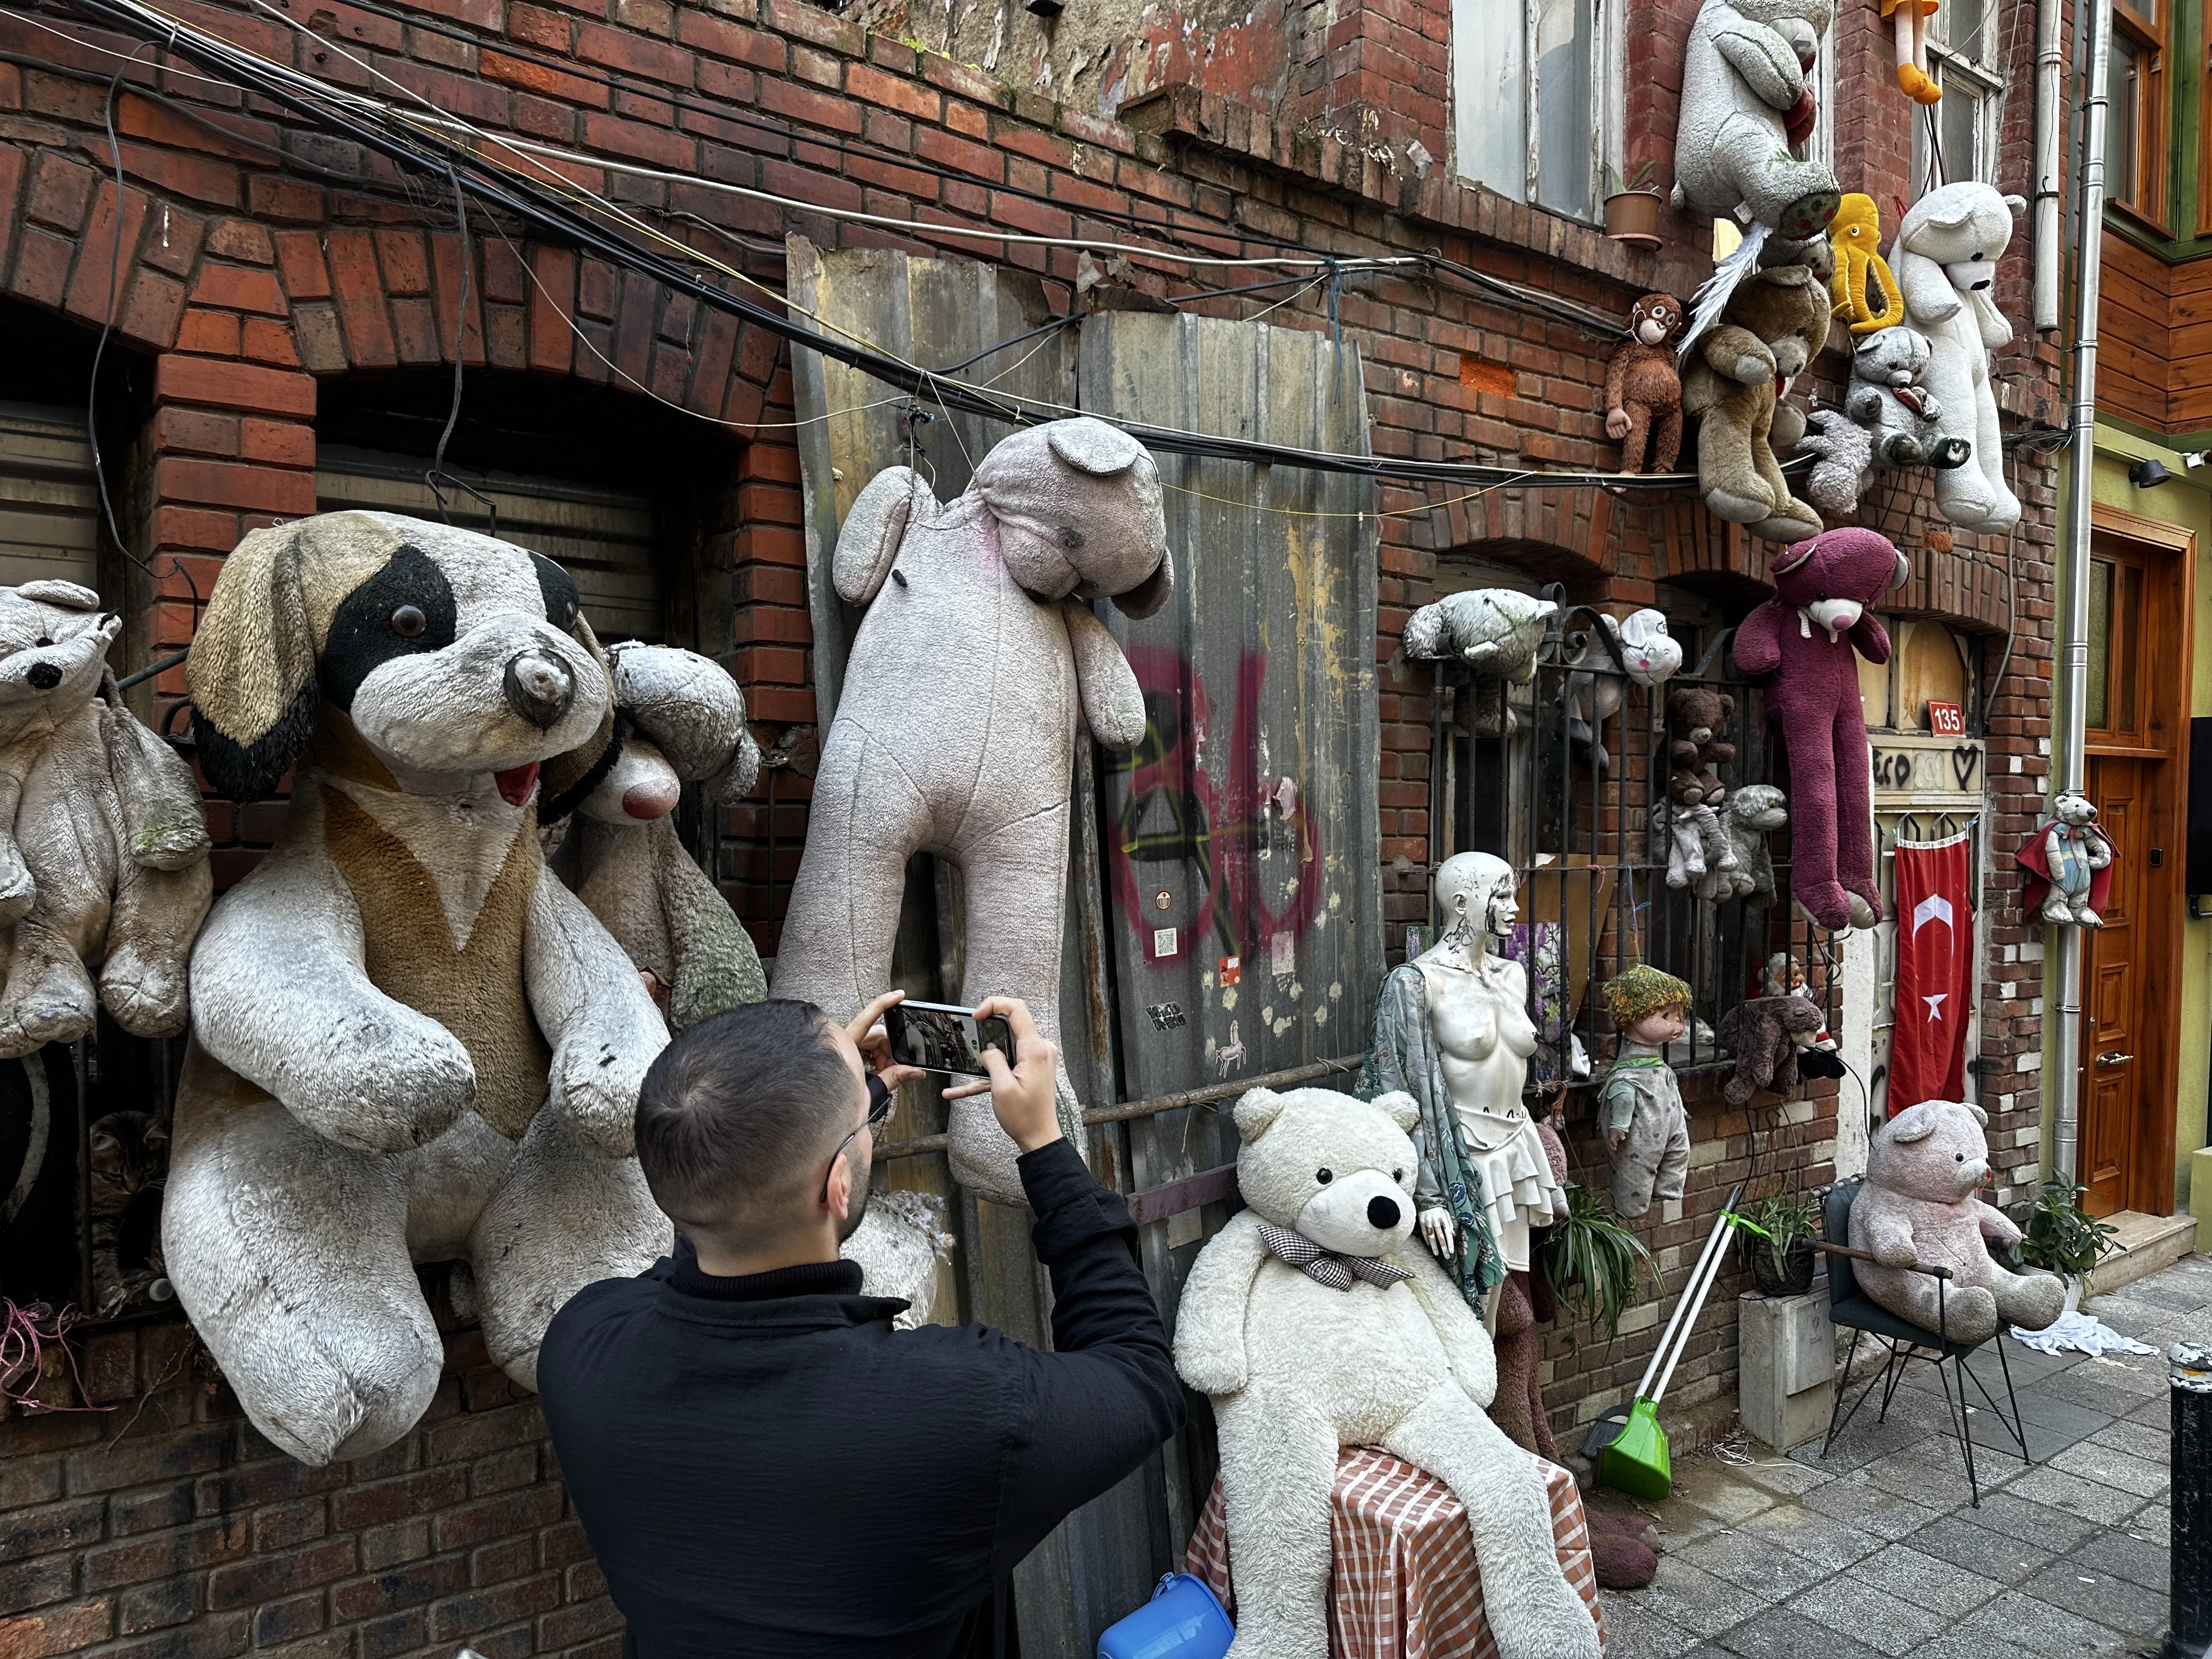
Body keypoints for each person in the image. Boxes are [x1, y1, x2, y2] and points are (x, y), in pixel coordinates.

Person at [538, 990, 1183, 1658]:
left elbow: (707, 1232)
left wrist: (830, 1106)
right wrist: (1045, 1144)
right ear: (839, 1185)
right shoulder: (963, 1411)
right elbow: (1140, 1375)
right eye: (866, 1128)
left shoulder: (581, 1347)